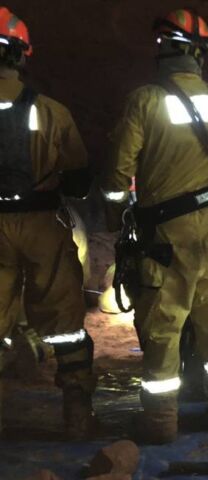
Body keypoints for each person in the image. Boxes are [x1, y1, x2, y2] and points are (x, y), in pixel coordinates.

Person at [101, 9, 208, 443]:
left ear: (162, 50)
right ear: (201, 54)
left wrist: (115, 210)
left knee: (165, 319)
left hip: (168, 228)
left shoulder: (145, 100)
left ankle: (161, 420)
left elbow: (120, 171)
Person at [0, 7, 95, 440]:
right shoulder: (52, 111)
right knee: (65, 321)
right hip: (41, 223)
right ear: (22, 55)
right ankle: (77, 414)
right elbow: (78, 178)